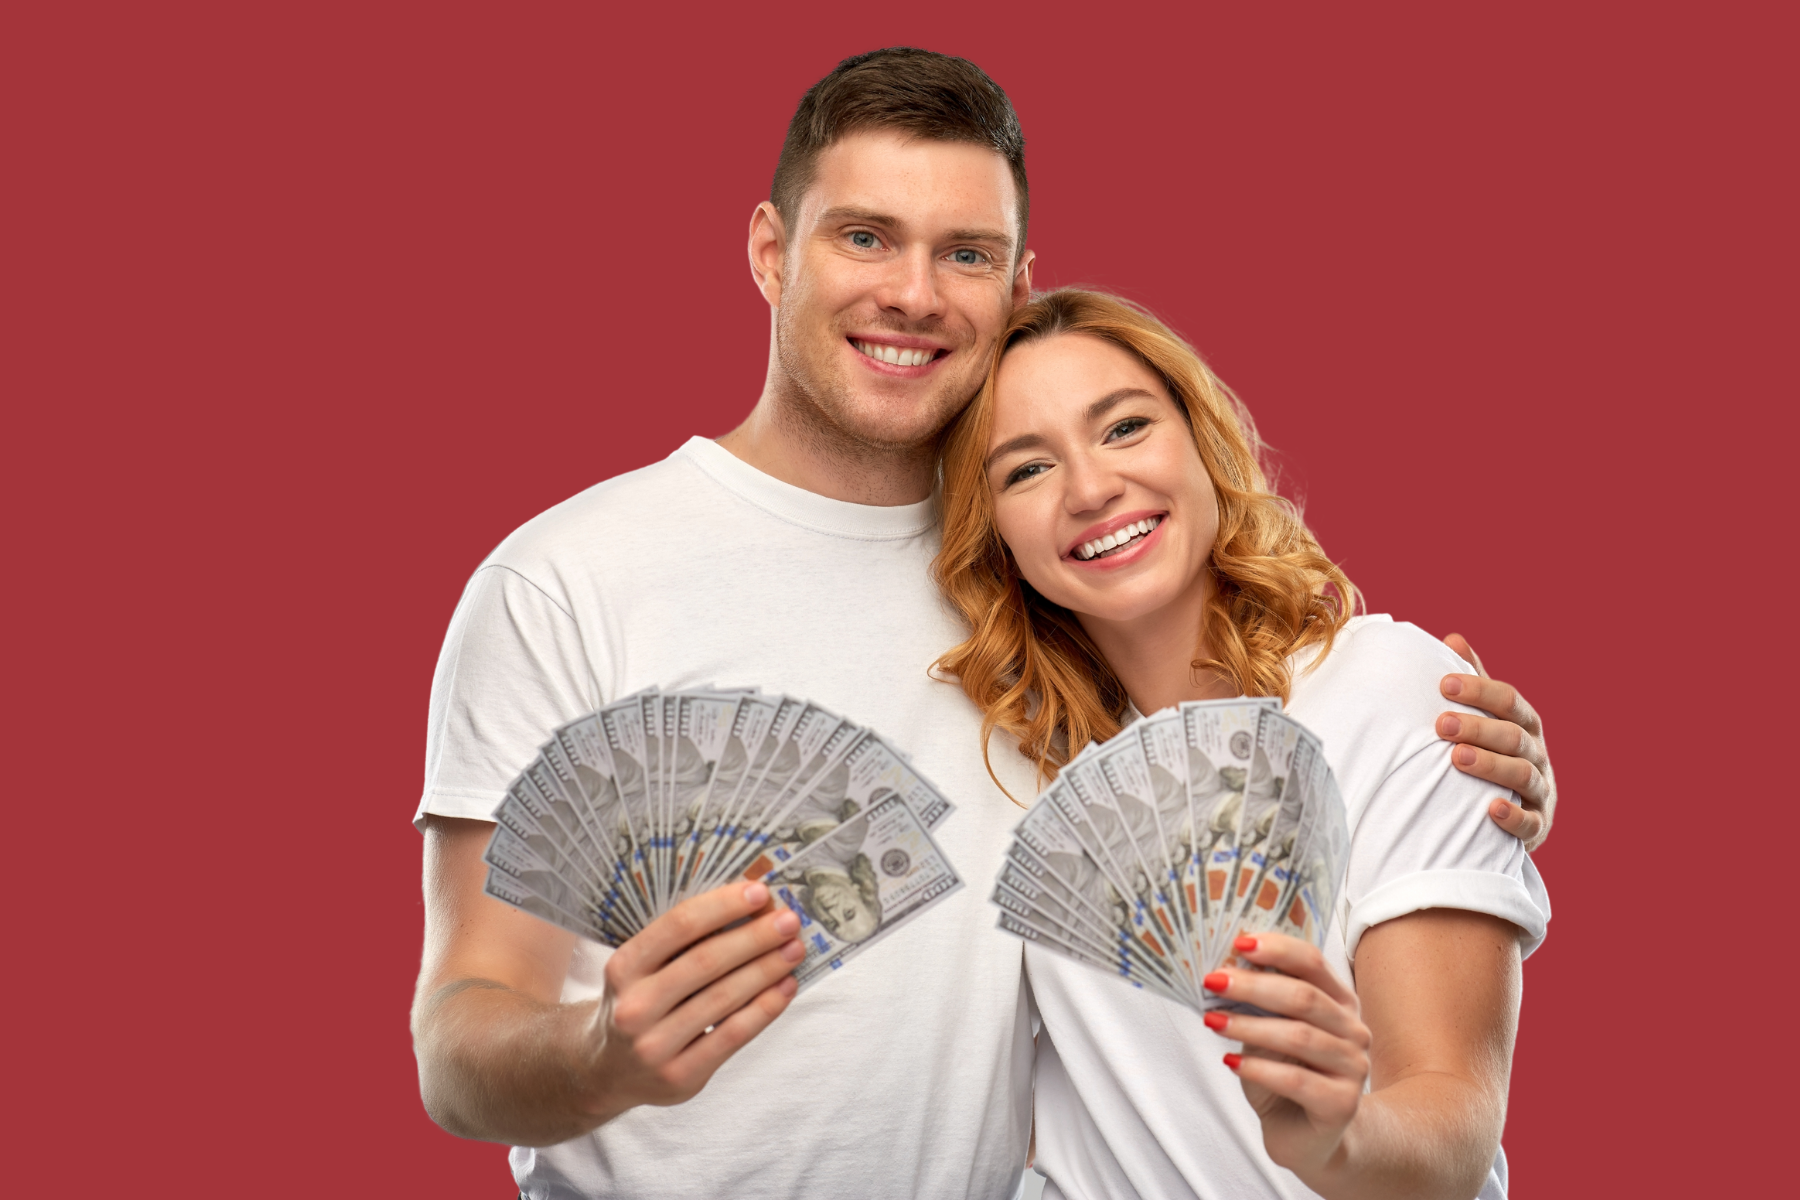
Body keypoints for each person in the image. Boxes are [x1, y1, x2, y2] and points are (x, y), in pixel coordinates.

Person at [409, 48, 1558, 1198]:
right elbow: (461, 1043)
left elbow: (1298, 716)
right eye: (863, 236)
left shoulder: (1039, 607)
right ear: (770, 251)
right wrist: (603, 1056)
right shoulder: (565, 581)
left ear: (1012, 284)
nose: (913, 292)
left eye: (965, 252)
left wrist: (1467, 758)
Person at [933, 287, 1551, 1198]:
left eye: (1125, 427)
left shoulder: (1384, 689)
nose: (1091, 488)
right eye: (1025, 470)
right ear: (994, 540)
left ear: (1200, 439)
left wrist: (1337, 1141)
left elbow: (1452, 1120)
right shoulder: (1019, 769)